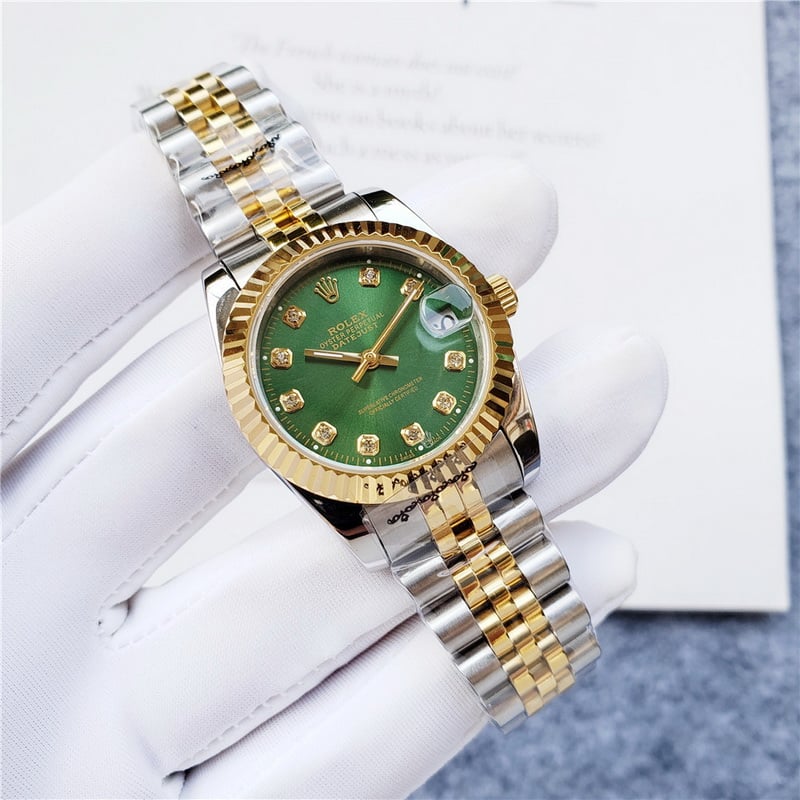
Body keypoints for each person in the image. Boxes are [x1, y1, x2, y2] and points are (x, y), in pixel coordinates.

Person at [2, 129, 667, 797]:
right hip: (390, 487)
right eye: (361, 361)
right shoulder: (265, 367)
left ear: (488, 302)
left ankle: (532, 650)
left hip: (462, 438)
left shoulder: (400, 277)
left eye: (374, 355)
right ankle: (531, 656)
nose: (371, 362)